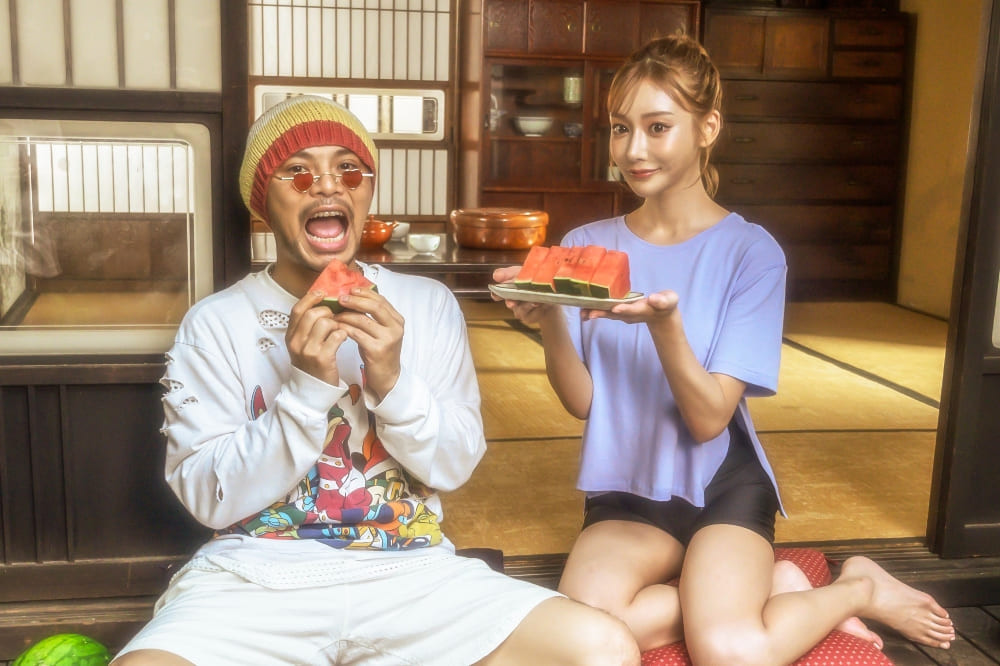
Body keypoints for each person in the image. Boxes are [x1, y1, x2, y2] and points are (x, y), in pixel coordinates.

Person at [111, 95, 640, 666]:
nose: (327, 185)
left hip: (412, 572)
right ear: (262, 203)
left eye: (349, 169)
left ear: (366, 193)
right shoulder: (215, 322)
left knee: (601, 648)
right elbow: (207, 499)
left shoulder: (427, 304)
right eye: (299, 172)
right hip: (254, 576)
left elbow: (453, 467)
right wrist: (305, 390)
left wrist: (391, 381)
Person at [493, 34, 956, 664]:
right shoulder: (585, 244)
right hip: (626, 490)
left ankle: (857, 587)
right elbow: (583, 404)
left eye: (658, 127)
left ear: (707, 127)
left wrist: (665, 326)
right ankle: (762, 587)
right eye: (621, 128)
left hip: (722, 486)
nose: (633, 149)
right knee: (587, 633)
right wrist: (550, 316)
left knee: (730, 652)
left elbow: (711, 418)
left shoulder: (752, 253)